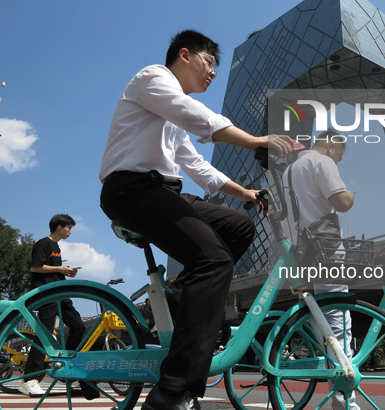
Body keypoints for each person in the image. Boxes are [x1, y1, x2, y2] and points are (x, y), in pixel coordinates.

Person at [99, 29, 293, 410]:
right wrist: (255, 140)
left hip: (164, 192)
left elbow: (200, 169)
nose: (213, 73)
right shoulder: (153, 79)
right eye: (209, 63)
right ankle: (171, 392)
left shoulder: (171, 115)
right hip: (132, 189)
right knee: (214, 259)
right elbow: (195, 116)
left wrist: (248, 195)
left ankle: (180, 295)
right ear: (184, 55)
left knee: (239, 226)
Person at [280, 130, 359, 410]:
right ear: (330, 146)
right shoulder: (322, 162)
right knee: (339, 325)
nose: (336, 161)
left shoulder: (288, 171)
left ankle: (338, 394)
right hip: (327, 253)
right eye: (338, 156)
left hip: (302, 253)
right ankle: (344, 403)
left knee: (325, 322)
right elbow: (343, 203)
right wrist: (350, 193)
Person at [18, 214, 99, 400]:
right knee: (45, 334)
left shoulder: (56, 247)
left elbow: (52, 269)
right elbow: (36, 268)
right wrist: (59, 269)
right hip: (46, 293)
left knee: (78, 326)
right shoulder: (43, 243)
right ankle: (29, 379)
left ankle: (65, 362)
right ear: (59, 227)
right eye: (69, 227)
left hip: (60, 293)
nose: (70, 231)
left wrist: (66, 272)